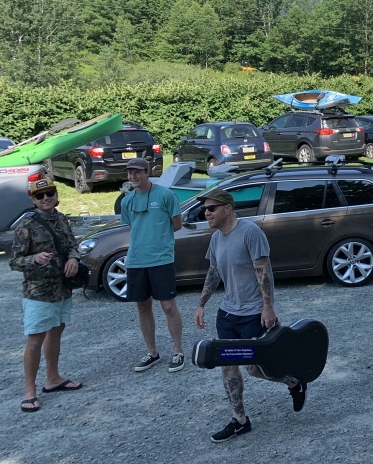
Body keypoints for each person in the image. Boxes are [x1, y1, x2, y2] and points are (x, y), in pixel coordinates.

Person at [193, 190, 307, 442]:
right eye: (205, 209)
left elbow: (262, 272)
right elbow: (213, 272)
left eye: (211, 208)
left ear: (228, 209)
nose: (206, 213)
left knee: (256, 368)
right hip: (227, 313)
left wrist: (268, 307)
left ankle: (294, 382)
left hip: (253, 313)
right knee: (227, 366)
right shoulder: (216, 238)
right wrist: (201, 304)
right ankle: (240, 420)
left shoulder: (250, 233)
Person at [10, 178, 85, 412]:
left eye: (50, 193)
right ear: (32, 200)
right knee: (35, 339)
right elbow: (14, 261)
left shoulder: (61, 219)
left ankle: (53, 378)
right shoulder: (26, 225)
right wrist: (34, 258)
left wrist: (73, 258)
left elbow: (72, 245)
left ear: (55, 194)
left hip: (62, 287)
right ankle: (29, 391)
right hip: (38, 292)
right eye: (40, 195)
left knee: (57, 330)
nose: (46, 198)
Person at [120, 157, 185, 373]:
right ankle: (152, 352)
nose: (133, 176)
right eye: (130, 173)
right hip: (136, 260)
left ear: (147, 172)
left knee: (168, 306)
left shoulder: (165, 195)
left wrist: (158, 238)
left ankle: (177, 351)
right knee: (142, 306)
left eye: (137, 172)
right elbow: (132, 226)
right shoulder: (127, 200)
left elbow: (177, 224)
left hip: (161, 259)